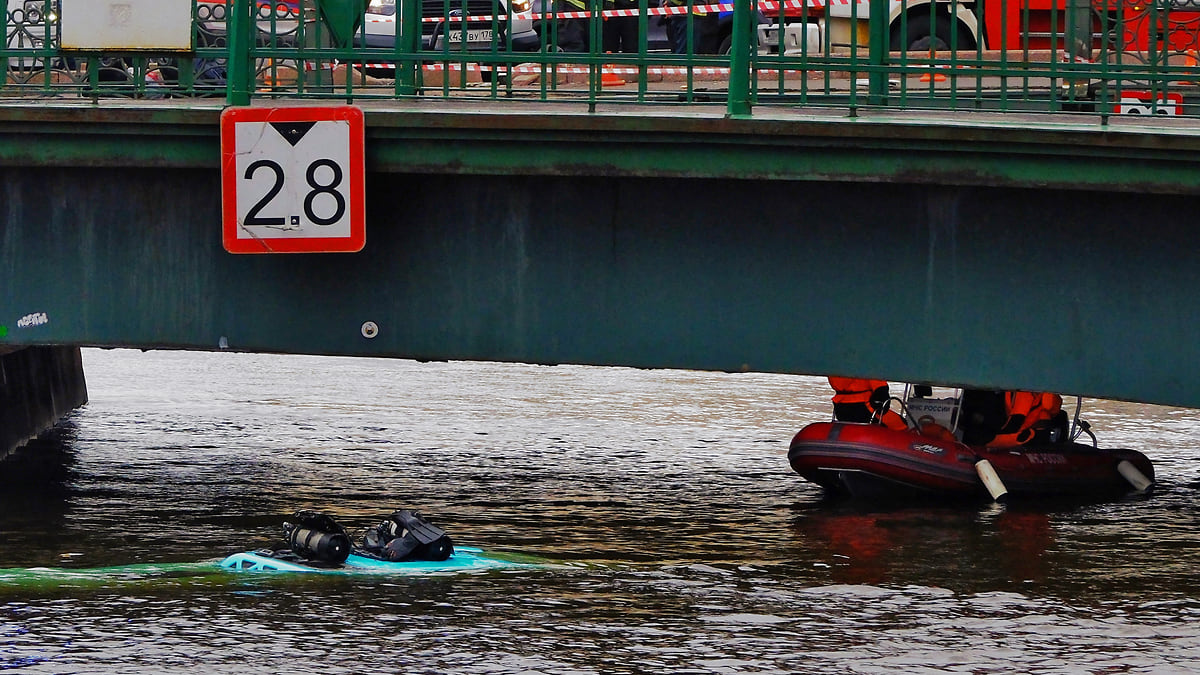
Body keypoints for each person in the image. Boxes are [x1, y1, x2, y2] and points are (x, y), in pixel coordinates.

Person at [988, 390, 1068, 447]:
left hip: (1031, 435)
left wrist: (990, 441)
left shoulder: (1024, 392)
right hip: (1027, 430)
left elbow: (1015, 422)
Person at [827, 377, 907, 430]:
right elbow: (881, 390)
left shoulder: (836, 362)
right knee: (902, 425)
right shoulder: (868, 362)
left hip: (840, 408)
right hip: (866, 407)